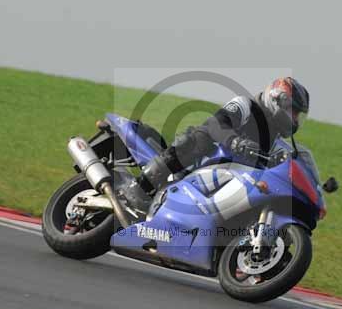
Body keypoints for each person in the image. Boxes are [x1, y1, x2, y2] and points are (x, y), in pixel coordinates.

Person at [121, 77, 310, 211]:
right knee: (199, 139)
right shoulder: (246, 105)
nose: (294, 119)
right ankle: (141, 186)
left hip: (232, 180)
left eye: (298, 115)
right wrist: (234, 141)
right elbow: (216, 123)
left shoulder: (276, 141)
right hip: (208, 160)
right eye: (292, 111)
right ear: (277, 100)